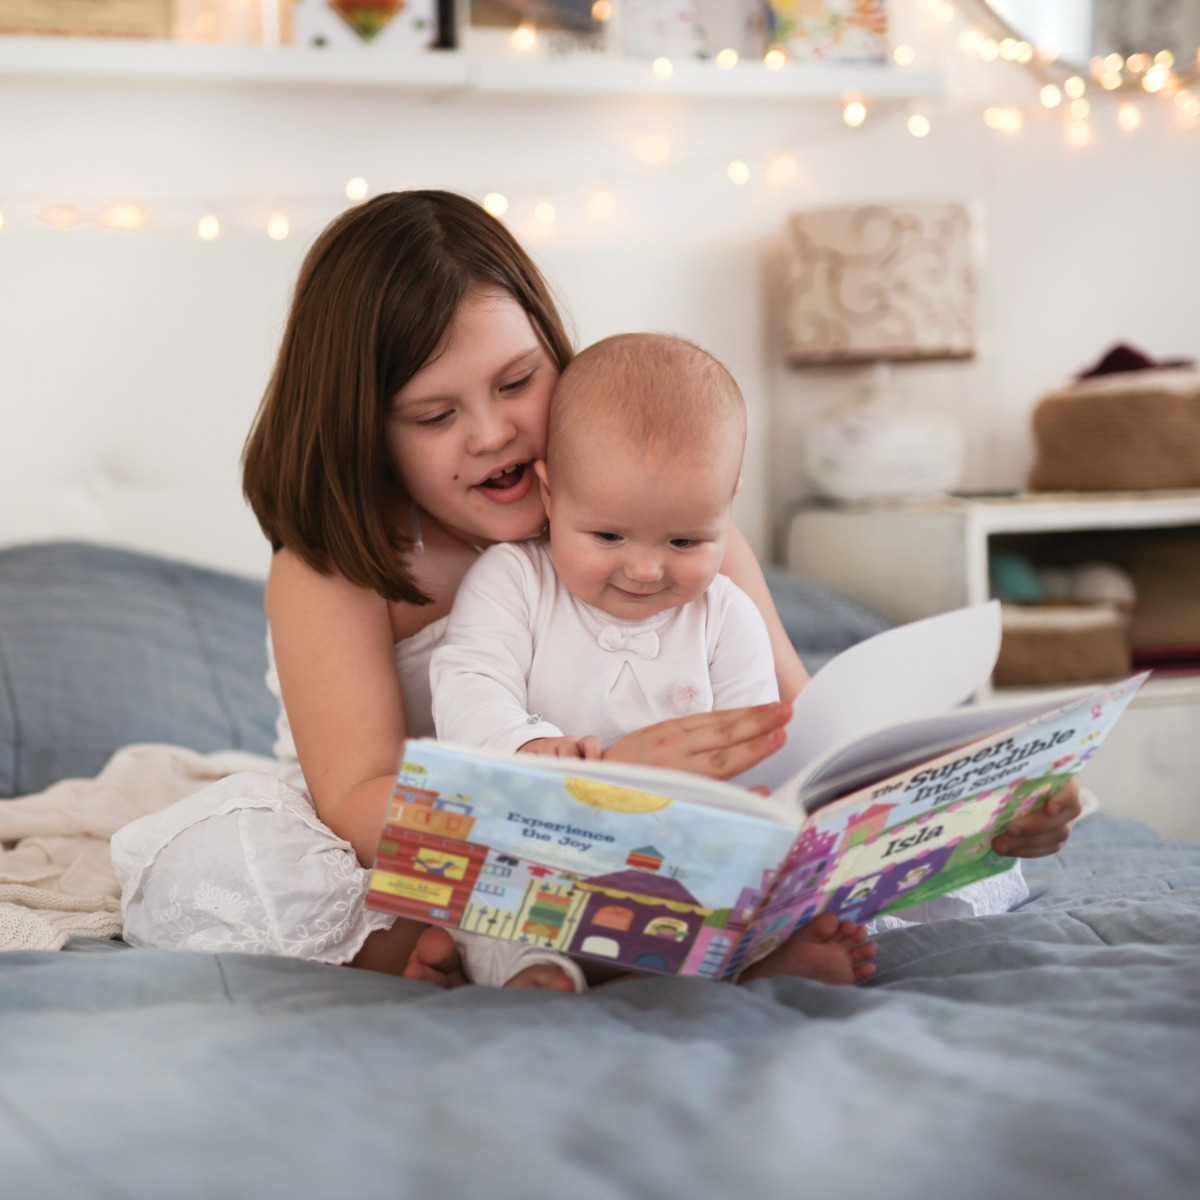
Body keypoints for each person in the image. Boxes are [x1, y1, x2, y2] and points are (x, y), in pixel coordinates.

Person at [110, 190, 1082, 984]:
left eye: (516, 381)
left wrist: (977, 806)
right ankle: (587, 946)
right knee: (229, 871)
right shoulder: (339, 562)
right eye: (435, 413)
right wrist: (598, 791)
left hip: (681, 842)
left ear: (555, 354)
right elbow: (360, 796)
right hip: (438, 838)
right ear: (364, 426)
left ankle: (632, 943)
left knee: (941, 873)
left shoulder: (662, 523)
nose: (491, 433)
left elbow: (804, 725)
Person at [427, 331, 876, 991]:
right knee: (491, 900)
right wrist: (529, 751)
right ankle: (537, 972)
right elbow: (468, 687)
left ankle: (757, 958)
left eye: (686, 539)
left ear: (728, 504)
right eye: (607, 535)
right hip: (551, 844)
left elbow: (756, 740)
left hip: (678, 859)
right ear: (550, 497)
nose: (644, 568)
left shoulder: (725, 613)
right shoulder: (512, 581)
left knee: (754, 881)